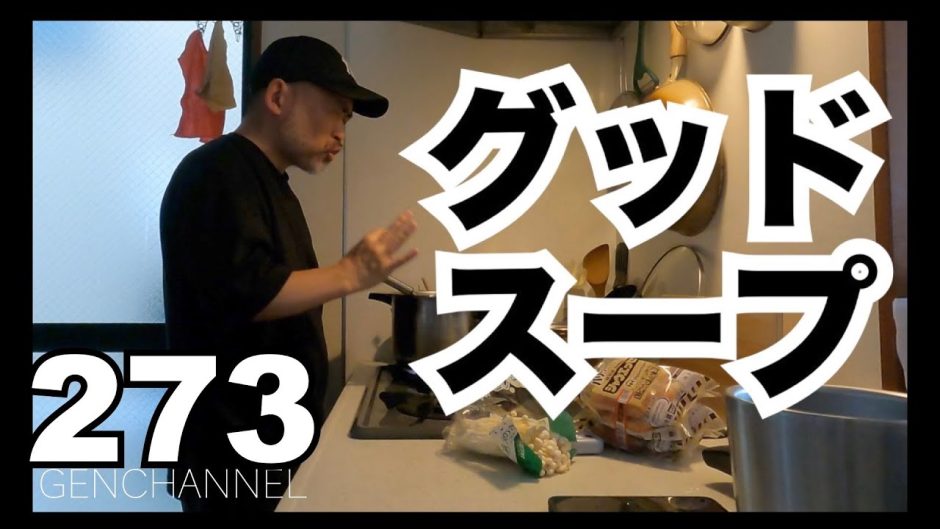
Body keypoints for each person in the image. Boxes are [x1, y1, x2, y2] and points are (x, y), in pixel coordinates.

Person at [160, 35, 417, 512]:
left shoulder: (270, 182)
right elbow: (248, 292)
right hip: (230, 455)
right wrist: (351, 273)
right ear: (278, 96)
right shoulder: (216, 171)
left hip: (266, 445)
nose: (342, 133)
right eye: (337, 111)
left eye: (347, 119)